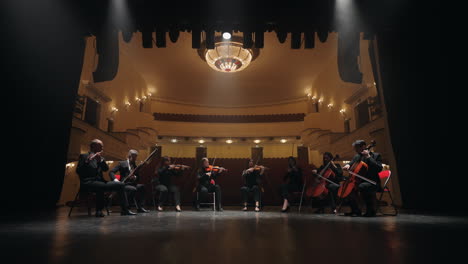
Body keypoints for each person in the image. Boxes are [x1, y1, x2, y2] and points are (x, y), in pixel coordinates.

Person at [76, 139, 135, 217]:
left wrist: (100, 161)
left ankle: (125, 209)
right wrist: (88, 161)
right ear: (94, 146)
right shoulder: (84, 156)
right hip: (88, 182)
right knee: (100, 187)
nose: (103, 148)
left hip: (100, 182)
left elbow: (106, 169)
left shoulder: (101, 158)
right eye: (101, 146)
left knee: (120, 185)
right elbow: (78, 171)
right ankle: (99, 210)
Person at [342, 140, 383, 217]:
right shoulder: (357, 156)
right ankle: (355, 210)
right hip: (358, 181)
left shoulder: (376, 156)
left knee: (362, 186)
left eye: (357, 148)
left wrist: (368, 157)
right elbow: (351, 163)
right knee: (347, 188)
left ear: (363, 147)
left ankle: (370, 210)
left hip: (372, 182)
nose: (356, 150)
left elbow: (379, 168)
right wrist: (347, 165)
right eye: (355, 148)